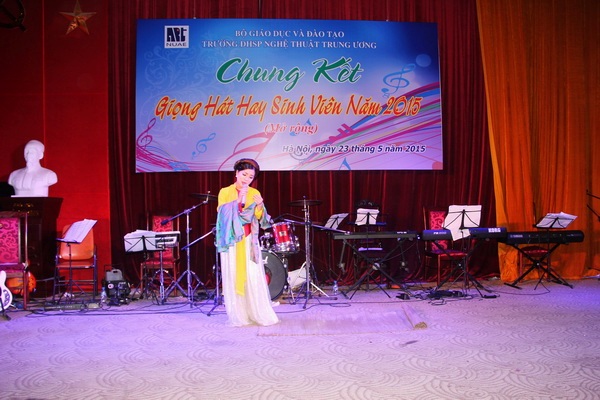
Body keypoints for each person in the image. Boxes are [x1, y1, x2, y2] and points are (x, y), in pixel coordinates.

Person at [215, 158, 279, 327]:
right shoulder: (225, 191)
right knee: (233, 274)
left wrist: (260, 205)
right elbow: (221, 214)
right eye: (244, 174)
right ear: (236, 173)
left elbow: (259, 218)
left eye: (250, 177)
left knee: (252, 276)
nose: (247, 179)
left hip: (249, 239)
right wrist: (237, 201)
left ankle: (256, 313)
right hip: (232, 241)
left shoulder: (254, 192)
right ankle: (239, 315)